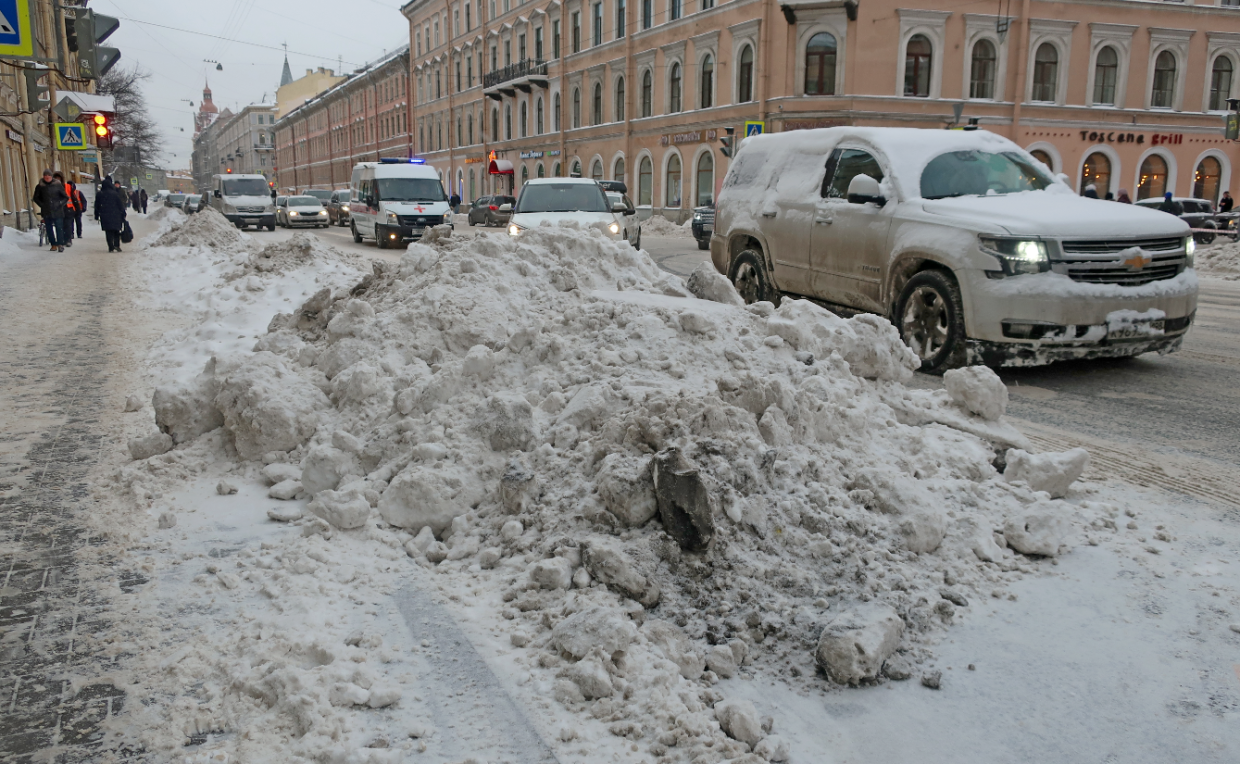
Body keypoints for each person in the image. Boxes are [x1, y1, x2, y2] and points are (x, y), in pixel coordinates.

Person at [31, 168, 68, 252]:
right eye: (45, 176)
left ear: (51, 176)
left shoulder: (58, 185)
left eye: (48, 176)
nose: (47, 177)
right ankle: (53, 244)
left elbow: (65, 197)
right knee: (49, 228)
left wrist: (60, 203)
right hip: (47, 211)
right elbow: (36, 198)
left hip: (57, 210)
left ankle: (60, 244)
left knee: (59, 227)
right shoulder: (40, 186)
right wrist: (42, 205)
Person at [95, 178, 128, 252]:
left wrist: (96, 215)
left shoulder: (100, 194)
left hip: (105, 215)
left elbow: (97, 205)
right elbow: (120, 204)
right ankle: (117, 245)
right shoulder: (114, 194)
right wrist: (123, 213)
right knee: (116, 230)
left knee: (108, 232)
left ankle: (110, 246)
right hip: (116, 214)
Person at [54, 172, 74, 247]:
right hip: (58, 208)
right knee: (60, 225)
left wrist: (77, 209)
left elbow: (73, 197)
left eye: (59, 178)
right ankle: (61, 239)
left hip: (68, 208)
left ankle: (68, 239)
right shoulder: (52, 187)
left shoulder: (68, 186)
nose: (57, 180)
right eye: (56, 178)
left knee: (68, 225)